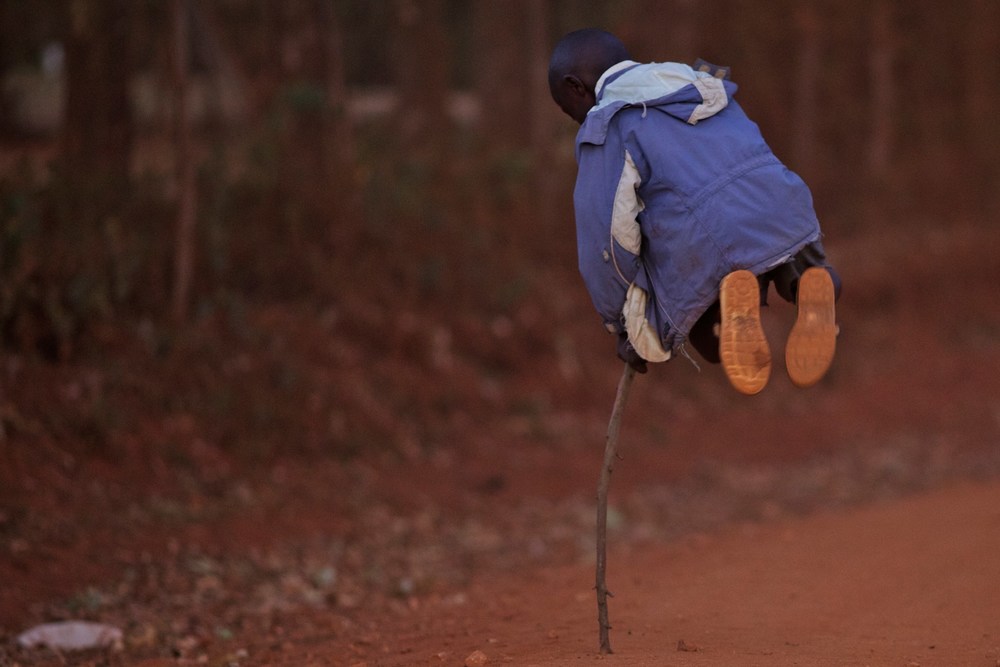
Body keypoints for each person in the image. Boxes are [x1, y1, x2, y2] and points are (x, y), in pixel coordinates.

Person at [548, 28, 841, 394]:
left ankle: (726, 315)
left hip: (710, 240)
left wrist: (622, 325)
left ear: (576, 86)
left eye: (568, 110)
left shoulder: (608, 124)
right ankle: (808, 281)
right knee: (776, 252)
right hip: (785, 210)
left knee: (704, 332)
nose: (575, 119)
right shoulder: (701, 84)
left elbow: (606, 240)